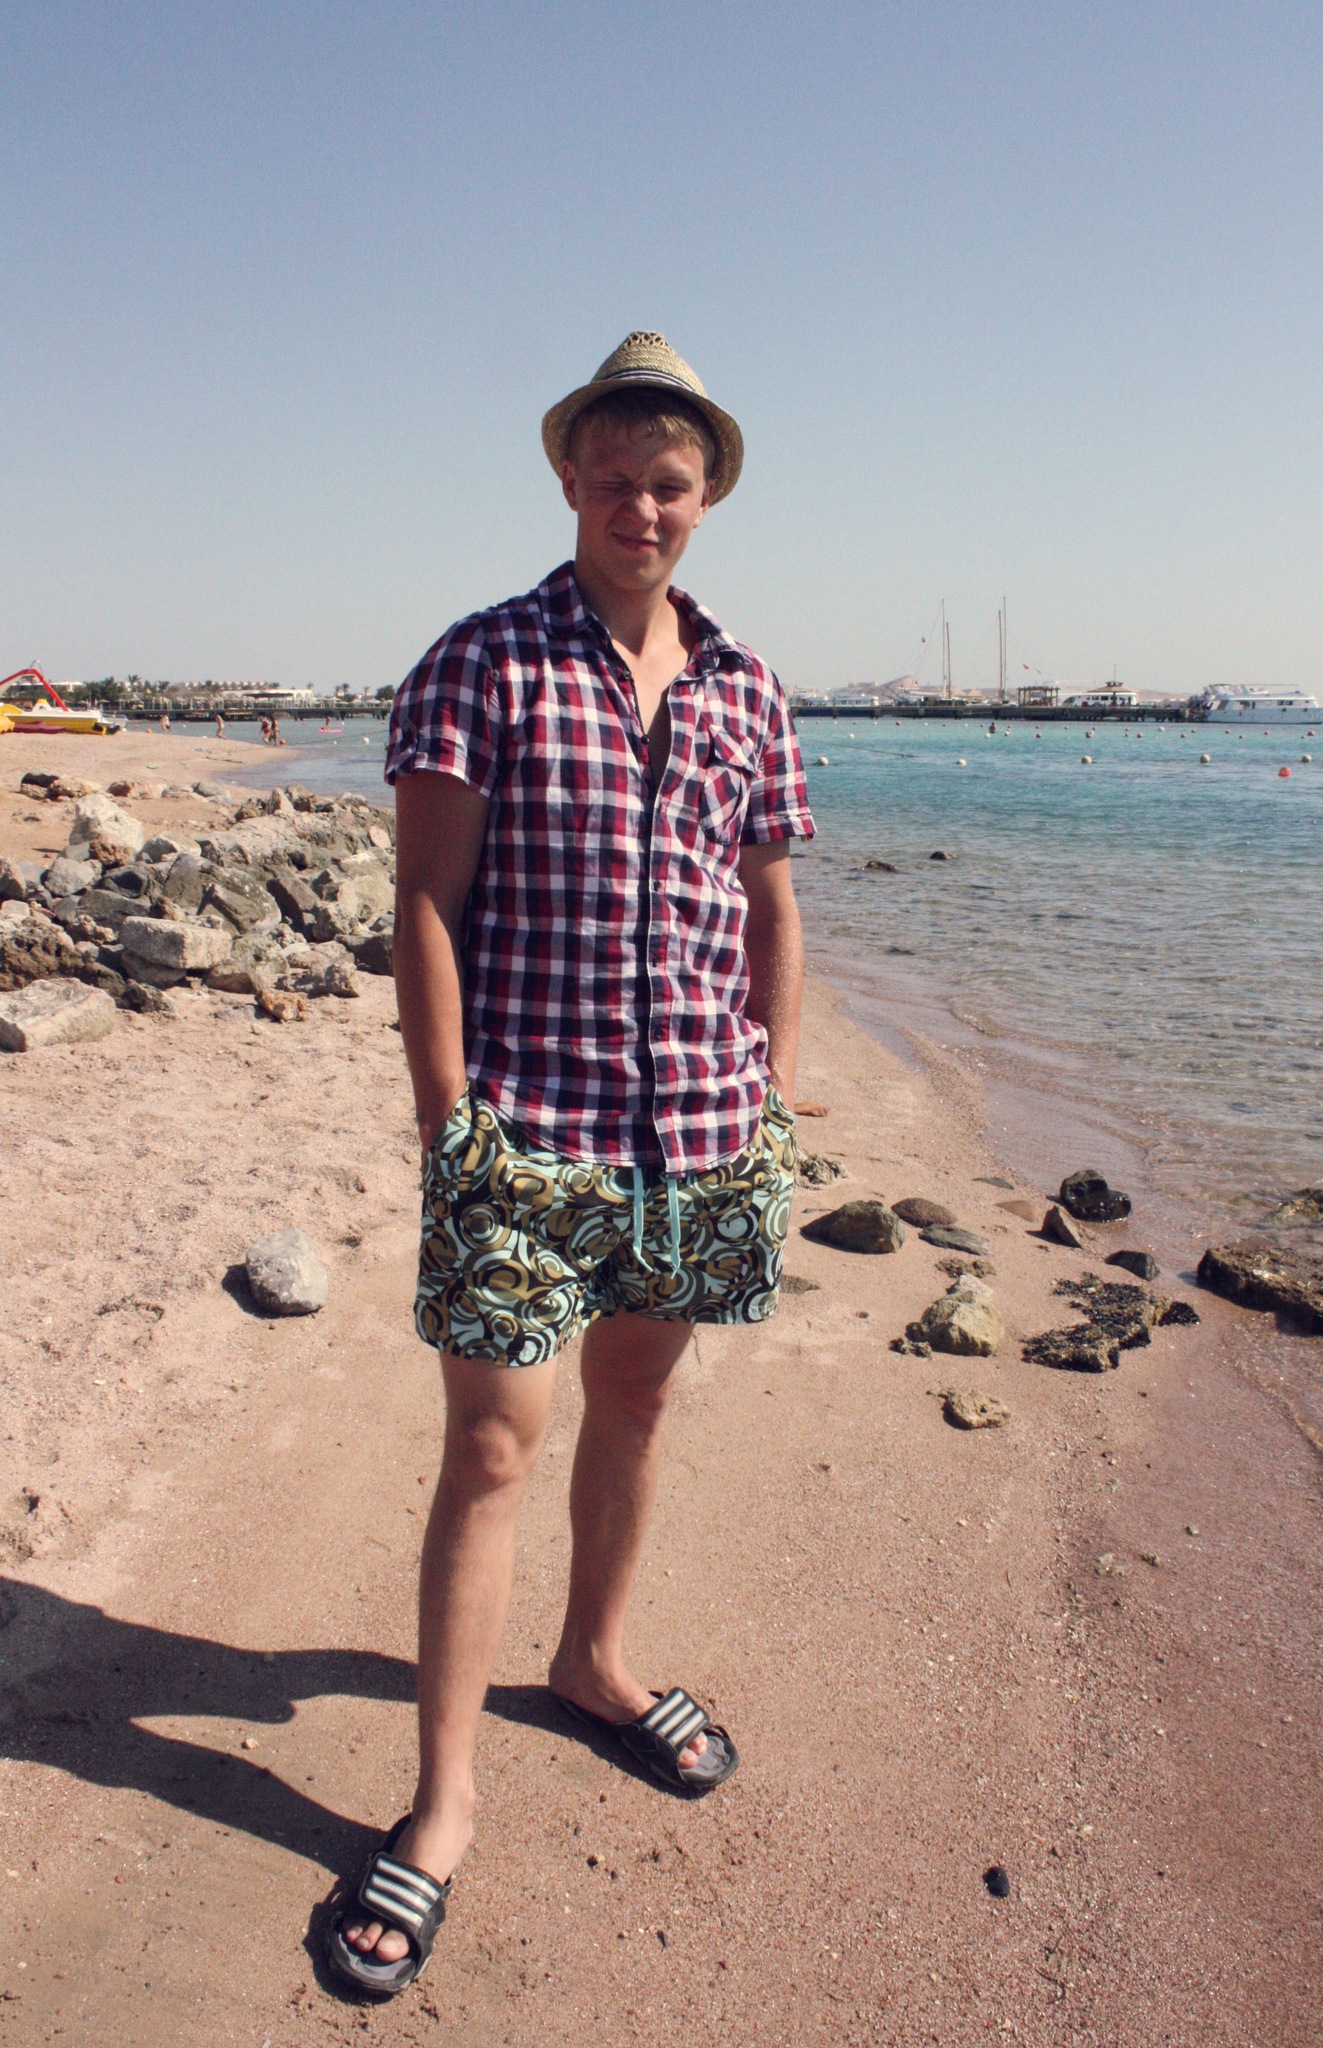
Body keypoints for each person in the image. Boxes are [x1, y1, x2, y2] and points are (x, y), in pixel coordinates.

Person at [327, 333, 815, 1998]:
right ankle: (443, 1801)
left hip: (699, 1130)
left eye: (668, 484)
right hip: (525, 1129)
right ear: (569, 481)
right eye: (613, 480)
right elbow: (426, 904)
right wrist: (446, 1118)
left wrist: (775, 1102)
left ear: (708, 494)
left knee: (638, 1403)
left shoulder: (749, 687)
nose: (639, 508)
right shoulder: (485, 661)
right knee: (488, 1448)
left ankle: (596, 1660)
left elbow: (769, 904)